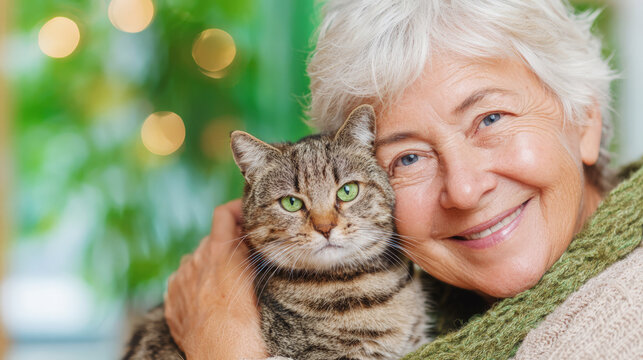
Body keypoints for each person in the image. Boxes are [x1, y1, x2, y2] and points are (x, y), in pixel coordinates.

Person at [163, 0, 643, 358]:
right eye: (409, 158)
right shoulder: (430, 288)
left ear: (585, 119)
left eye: (491, 119)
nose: (465, 189)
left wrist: (223, 344)